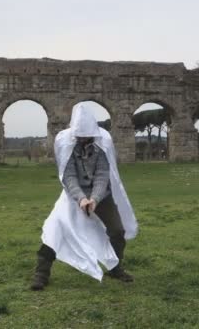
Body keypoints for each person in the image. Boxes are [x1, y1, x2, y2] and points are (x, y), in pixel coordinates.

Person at [31, 103, 138, 291]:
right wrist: (81, 199)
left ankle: (115, 267)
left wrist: (95, 199)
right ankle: (41, 274)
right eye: (80, 136)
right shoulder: (65, 142)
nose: (83, 139)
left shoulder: (103, 141)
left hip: (101, 195)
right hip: (73, 196)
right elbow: (68, 175)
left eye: (86, 136)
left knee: (117, 230)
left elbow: (103, 175)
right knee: (55, 229)